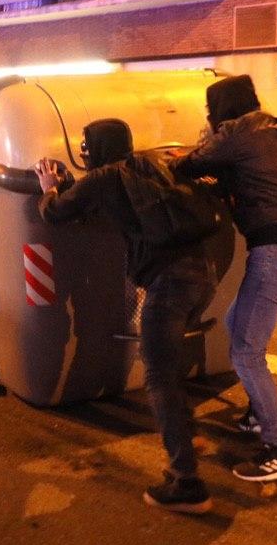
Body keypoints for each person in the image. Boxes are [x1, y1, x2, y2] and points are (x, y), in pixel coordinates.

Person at [35, 119, 220, 514]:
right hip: (202, 275)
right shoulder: (151, 164)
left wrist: (49, 185)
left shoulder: (103, 177)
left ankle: (187, 481)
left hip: (169, 283)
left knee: (158, 375)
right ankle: (188, 434)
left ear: (95, 147)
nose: (84, 152)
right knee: (168, 365)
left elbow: (56, 212)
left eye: (86, 146)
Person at [175, 75, 277, 481]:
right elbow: (254, 176)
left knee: (245, 352)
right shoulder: (274, 128)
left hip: (276, 253)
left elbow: (189, 163)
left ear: (220, 108)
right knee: (239, 323)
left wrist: (187, 158)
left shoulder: (238, 131)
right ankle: (258, 414)